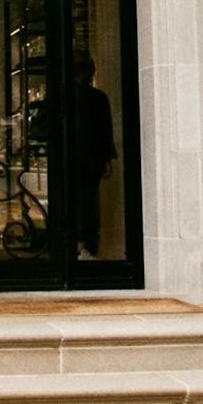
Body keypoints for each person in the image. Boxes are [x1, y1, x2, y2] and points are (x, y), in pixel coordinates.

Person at [72, 51, 116, 258]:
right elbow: (106, 132)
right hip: (91, 158)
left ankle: (76, 243)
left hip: (71, 157)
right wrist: (107, 159)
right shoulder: (99, 98)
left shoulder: (62, 96)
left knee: (73, 200)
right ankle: (83, 244)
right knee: (87, 201)